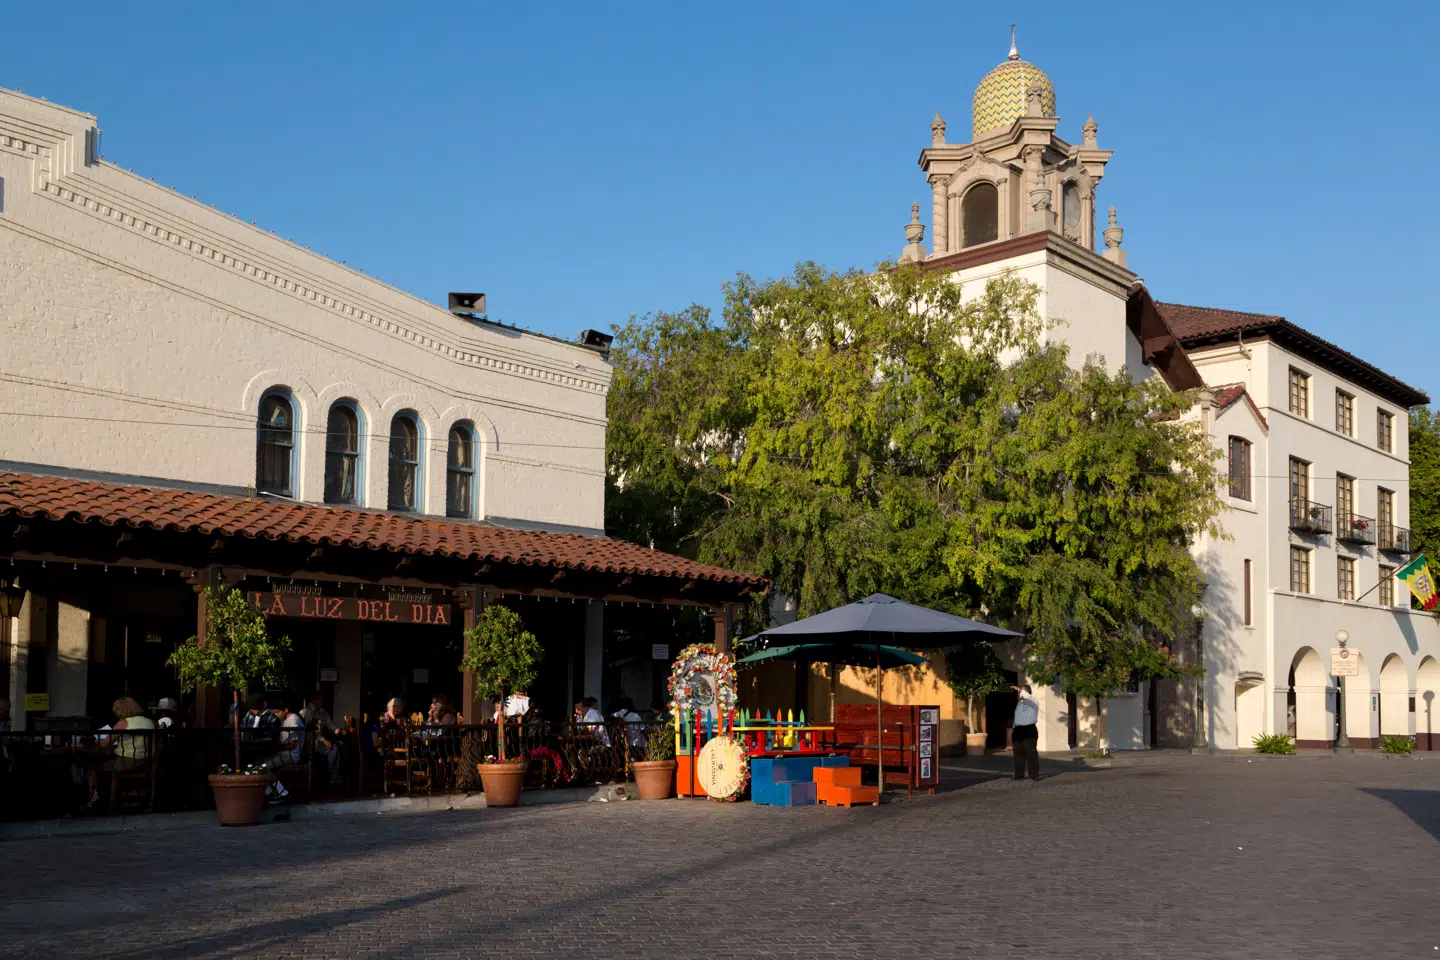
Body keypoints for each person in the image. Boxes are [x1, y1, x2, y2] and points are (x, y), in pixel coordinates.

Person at [302, 692, 345, 786]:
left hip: (319, 741)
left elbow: (329, 723)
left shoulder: (322, 712)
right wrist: (323, 740)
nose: (322, 702)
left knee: (340, 744)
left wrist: (335, 729)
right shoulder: (306, 712)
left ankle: (337, 773)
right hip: (310, 742)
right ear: (315, 700)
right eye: (320, 700)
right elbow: (308, 731)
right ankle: (334, 776)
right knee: (332, 748)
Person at [264, 702, 305, 803]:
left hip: (291, 755)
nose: (275, 714)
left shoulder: (294, 719)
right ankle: (270, 792)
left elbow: (293, 744)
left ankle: (282, 792)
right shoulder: (282, 720)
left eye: (277, 712)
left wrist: (278, 747)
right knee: (260, 763)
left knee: (264, 768)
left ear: (285, 710)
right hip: (283, 753)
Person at [1010, 684, 1041, 781]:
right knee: (1018, 753)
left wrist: (1020, 690)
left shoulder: (1033, 701)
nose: (1019, 693)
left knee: (1031, 753)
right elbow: (1017, 717)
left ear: (1027, 692)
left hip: (1029, 730)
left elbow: (1026, 696)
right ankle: (1019, 774)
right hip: (1018, 730)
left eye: (1022, 691)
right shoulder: (1019, 703)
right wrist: (1014, 728)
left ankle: (1034, 775)